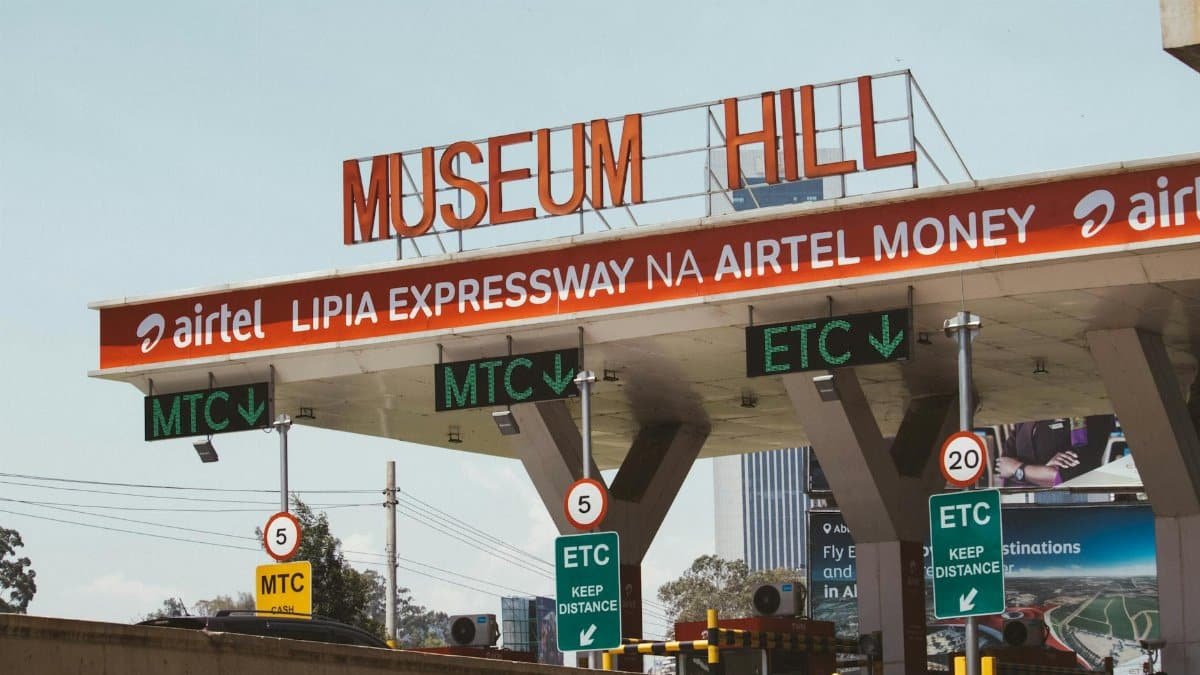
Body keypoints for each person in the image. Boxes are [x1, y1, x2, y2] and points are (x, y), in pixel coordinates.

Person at [996, 419, 1079, 487]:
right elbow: (1003, 468)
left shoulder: (1076, 418)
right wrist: (1040, 472)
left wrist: (1015, 468)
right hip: (1023, 499)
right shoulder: (1024, 421)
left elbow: (1063, 477)